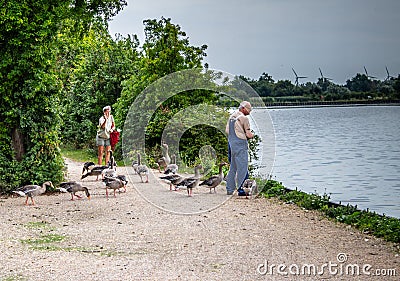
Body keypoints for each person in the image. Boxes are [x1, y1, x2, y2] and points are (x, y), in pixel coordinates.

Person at [225, 101, 254, 195]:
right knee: (243, 167)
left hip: (231, 143)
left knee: (233, 167)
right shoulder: (244, 118)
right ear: (243, 108)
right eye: (249, 109)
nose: (249, 112)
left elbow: (227, 131)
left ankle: (229, 189)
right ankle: (242, 190)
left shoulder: (232, 117)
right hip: (240, 144)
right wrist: (252, 135)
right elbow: (249, 135)